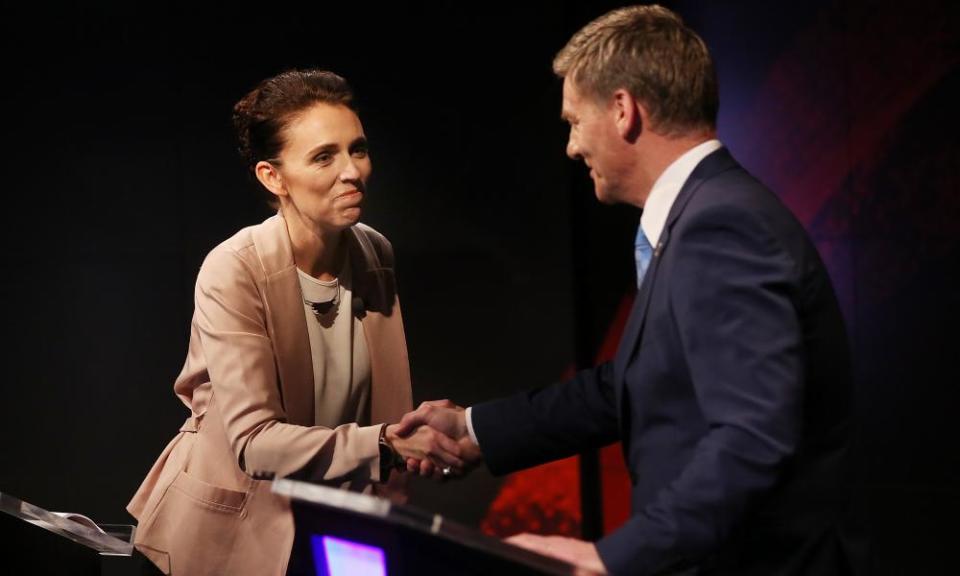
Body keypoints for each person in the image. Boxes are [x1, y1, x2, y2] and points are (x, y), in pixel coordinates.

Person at [397, 5, 855, 575]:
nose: (570, 147)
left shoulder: (722, 228)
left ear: (622, 110)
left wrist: (613, 560)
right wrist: (472, 431)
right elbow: (634, 386)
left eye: (573, 121)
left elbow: (752, 437)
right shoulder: (705, 217)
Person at [127, 69, 462, 575]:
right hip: (229, 536)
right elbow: (256, 441)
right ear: (272, 176)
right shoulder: (235, 267)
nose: (352, 172)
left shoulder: (374, 252)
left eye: (358, 149)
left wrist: (412, 434)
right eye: (324, 156)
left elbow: (379, 405)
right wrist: (387, 442)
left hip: (333, 526)